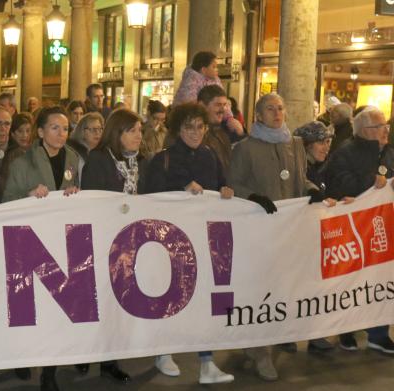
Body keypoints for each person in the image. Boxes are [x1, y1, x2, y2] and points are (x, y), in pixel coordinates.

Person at [230, 93, 328, 381]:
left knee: (284, 289)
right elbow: (233, 183)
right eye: (270, 109)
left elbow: (299, 177)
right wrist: (253, 196)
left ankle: (267, 340)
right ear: (258, 115)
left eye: (281, 108)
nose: (277, 113)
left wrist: (310, 189)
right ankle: (260, 351)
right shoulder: (244, 148)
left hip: (290, 231)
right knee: (262, 291)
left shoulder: (295, 145)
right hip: (259, 230)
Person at [143, 103, 235, 385]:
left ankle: (207, 363)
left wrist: (226, 190)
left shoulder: (210, 155)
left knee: (204, 298)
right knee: (171, 297)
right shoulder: (164, 159)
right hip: (172, 242)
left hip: (205, 238)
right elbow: (150, 198)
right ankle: (163, 351)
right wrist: (180, 191)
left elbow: (223, 183)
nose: (195, 132)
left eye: (200, 127)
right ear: (177, 129)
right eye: (188, 127)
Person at [1, 106, 82, 391]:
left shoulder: (73, 158)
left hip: (59, 239)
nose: (61, 134)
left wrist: (75, 195)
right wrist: (27, 195)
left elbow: (78, 192)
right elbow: (7, 200)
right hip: (27, 241)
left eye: (65, 129)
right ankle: (22, 355)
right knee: (25, 302)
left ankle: (50, 371)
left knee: (55, 307)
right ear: (40, 132)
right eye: (55, 128)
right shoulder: (23, 162)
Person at [324, 107, 394, 355]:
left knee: (380, 280)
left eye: (386, 125)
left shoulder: (388, 153)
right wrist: (370, 181)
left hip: (380, 229)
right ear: (366, 131)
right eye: (381, 126)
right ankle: (347, 330)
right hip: (351, 228)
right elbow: (338, 184)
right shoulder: (344, 152)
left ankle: (379, 333)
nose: (386, 130)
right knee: (351, 281)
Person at [82, 108, 146, 197]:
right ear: (117, 133)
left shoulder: (141, 159)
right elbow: (91, 197)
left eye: (140, 130)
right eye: (132, 131)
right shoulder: (98, 159)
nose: (139, 136)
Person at [198, 85, 244, 175]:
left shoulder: (223, 131)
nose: (223, 110)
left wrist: (241, 134)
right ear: (202, 105)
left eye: (225, 105)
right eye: (218, 105)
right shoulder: (191, 133)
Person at [293, 121, 333, 191]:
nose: (327, 148)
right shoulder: (301, 171)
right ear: (307, 145)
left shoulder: (321, 166)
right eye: (321, 143)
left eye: (327, 142)